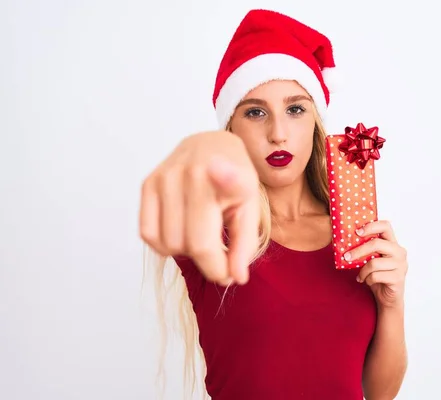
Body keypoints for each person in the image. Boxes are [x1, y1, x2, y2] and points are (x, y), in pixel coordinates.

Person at [139, 9, 408, 400]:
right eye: (255, 112)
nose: (278, 133)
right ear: (231, 128)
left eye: (295, 109)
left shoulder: (355, 235)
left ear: (315, 121)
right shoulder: (211, 228)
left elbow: (378, 394)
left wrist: (392, 303)